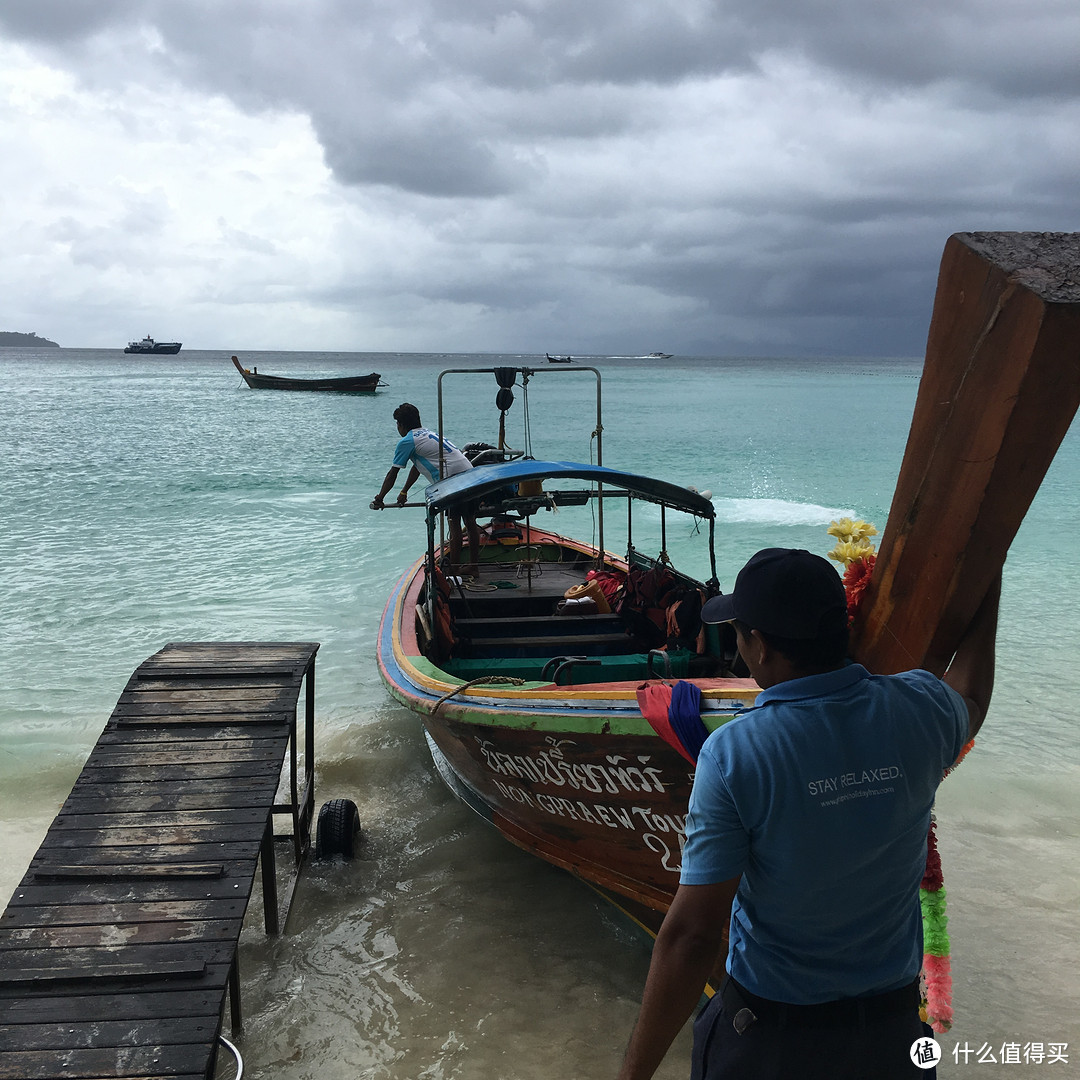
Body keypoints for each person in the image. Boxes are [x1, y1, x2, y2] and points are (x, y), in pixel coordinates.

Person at [616, 547, 1000, 1080]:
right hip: (896, 1040)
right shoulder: (920, 709)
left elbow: (693, 937)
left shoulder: (735, 755)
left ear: (761, 645)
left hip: (774, 1043)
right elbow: (973, 693)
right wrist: (988, 581)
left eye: (740, 634)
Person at [371, 402, 480, 576]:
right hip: (470, 473)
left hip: (453, 480)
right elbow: (417, 466)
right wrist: (404, 491)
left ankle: (453, 570)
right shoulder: (428, 433)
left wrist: (380, 497)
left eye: (397, 424)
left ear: (401, 425)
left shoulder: (407, 441)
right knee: (470, 522)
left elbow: (393, 473)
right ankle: (473, 567)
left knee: (454, 524)